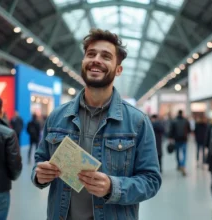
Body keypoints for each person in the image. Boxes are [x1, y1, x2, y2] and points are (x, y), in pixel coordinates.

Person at [31, 29, 162, 220]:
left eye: (106, 56)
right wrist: (39, 175)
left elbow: (151, 180)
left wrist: (112, 187)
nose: (96, 60)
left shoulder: (138, 122)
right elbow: (39, 161)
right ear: (83, 62)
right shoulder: (57, 117)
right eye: (91, 54)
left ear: (118, 69)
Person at [169, 110, 191, 176]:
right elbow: (189, 130)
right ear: (182, 113)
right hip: (184, 139)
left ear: (178, 113)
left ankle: (179, 165)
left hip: (176, 139)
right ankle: (183, 165)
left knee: (177, 153)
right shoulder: (186, 120)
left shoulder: (174, 121)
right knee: (184, 153)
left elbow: (171, 130)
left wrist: (170, 138)